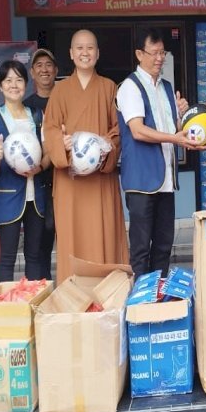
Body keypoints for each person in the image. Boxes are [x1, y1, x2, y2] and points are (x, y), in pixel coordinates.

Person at [43, 29, 129, 283]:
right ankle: (74, 295)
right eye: (79, 48)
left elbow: (118, 130)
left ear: (98, 53)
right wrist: (62, 142)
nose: (84, 53)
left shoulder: (109, 88)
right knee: (73, 236)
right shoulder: (59, 91)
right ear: (71, 53)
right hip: (70, 182)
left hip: (100, 179)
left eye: (90, 48)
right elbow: (49, 130)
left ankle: (107, 293)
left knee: (104, 235)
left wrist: (104, 146)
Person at [117, 28, 196, 278]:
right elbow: (138, 131)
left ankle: (159, 297)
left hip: (166, 181)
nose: (160, 58)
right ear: (140, 54)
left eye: (163, 52)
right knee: (141, 247)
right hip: (141, 181)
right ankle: (142, 303)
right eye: (154, 53)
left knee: (163, 245)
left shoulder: (166, 87)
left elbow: (173, 130)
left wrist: (181, 116)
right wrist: (175, 137)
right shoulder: (129, 87)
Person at [0, 60, 51, 281]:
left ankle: (34, 305)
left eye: (19, 80)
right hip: (7, 196)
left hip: (36, 196)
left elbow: (48, 152)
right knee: (7, 257)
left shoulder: (36, 115)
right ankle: (7, 310)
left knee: (34, 256)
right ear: (0, 86)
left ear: (26, 84)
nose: (14, 85)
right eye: (8, 80)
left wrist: (40, 167)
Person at [23, 48, 57, 277]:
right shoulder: (27, 107)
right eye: (39, 66)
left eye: (48, 65)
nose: (44, 69)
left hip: (66, 179)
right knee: (40, 242)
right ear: (32, 73)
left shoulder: (65, 99)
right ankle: (42, 291)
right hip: (38, 183)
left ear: (56, 70)